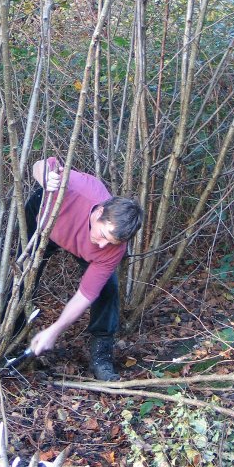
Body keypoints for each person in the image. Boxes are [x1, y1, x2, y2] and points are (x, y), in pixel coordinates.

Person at [25, 157, 143, 381]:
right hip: (45, 222)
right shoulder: (77, 188)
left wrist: (55, 330)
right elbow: (39, 166)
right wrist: (44, 178)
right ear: (98, 213)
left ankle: (101, 357)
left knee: (107, 290)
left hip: (76, 240)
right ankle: (11, 341)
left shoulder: (112, 248)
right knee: (23, 279)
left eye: (112, 243)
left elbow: (85, 295)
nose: (102, 246)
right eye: (104, 236)